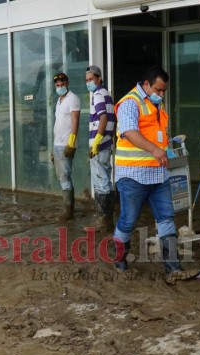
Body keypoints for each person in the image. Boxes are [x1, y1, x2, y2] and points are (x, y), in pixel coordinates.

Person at [113, 65, 199, 284]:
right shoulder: (130, 103)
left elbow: (156, 134)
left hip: (158, 174)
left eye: (164, 91)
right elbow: (130, 132)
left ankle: (173, 270)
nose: (161, 95)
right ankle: (119, 261)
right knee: (128, 221)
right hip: (133, 175)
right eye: (158, 90)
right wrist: (154, 149)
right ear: (146, 85)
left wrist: (166, 146)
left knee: (166, 218)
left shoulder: (155, 106)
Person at [85, 65, 116, 231]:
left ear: (99, 79)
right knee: (106, 180)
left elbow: (103, 118)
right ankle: (107, 220)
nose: (88, 82)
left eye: (91, 79)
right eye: (87, 80)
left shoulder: (97, 95)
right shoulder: (107, 94)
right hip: (106, 143)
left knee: (100, 182)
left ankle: (102, 221)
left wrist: (96, 141)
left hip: (99, 144)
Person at [52, 72, 80, 222]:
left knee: (65, 177)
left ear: (67, 83)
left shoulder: (73, 99)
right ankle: (68, 208)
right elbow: (59, 123)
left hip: (66, 144)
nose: (60, 87)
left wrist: (71, 142)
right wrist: (53, 148)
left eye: (62, 85)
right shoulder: (59, 100)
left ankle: (68, 211)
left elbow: (75, 122)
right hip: (58, 143)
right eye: (57, 85)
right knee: (62, 176)